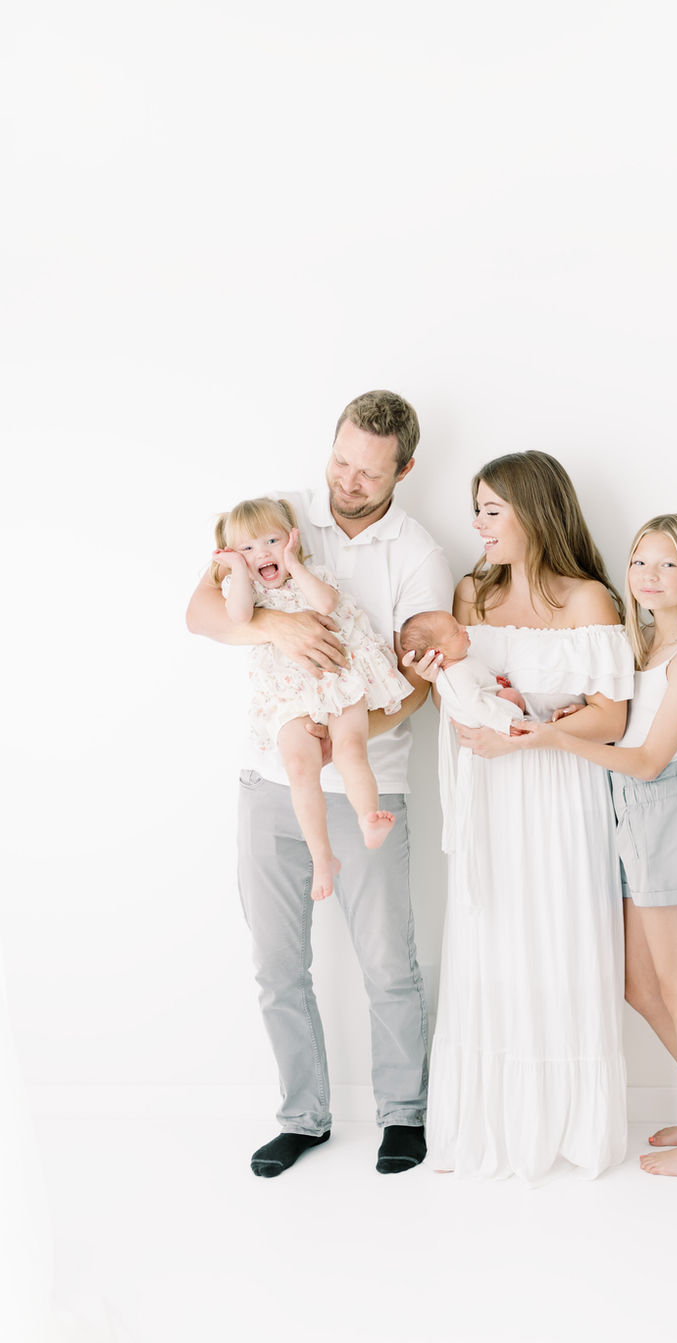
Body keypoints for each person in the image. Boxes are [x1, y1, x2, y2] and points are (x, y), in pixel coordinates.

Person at [186, 390, 454, 1177]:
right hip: (269, 777)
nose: (349, 480)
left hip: (371, 779)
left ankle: (404, 1114)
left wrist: (340, 737)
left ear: (405, 468)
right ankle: (302, 1116)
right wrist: (274, 624)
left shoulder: (420, 555)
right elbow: (200, 608)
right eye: (341, 460)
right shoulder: (277, 514)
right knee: (277, 965)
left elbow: (417, 684)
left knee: (387, 963)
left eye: (370, 472)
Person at [406, 451, 634, 1183]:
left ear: (535, 511)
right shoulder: (470, 594)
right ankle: (492, 1124)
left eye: (491, 510)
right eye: (477, 509)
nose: (477, 524)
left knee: (563, 941)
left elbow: (611, 718)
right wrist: (460, 688)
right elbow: (455, 695)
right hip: (492, 799)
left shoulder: (590, 601)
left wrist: (534, 731)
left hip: (562, 799)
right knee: (493, 943)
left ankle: (569, 1120)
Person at [517, 514, 677, 1179]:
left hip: (659, 817)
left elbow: (645, 760)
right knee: (639, 983)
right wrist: (566, 720)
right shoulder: (640, 648)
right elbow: (618, 733)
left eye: (667, 563)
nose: (649, 575)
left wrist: (560, 740)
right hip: (621, 817)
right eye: (640, 561)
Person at [212, 497, 413, 901]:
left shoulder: (312, 572)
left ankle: (367, 816)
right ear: (234, 555)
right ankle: (323, 857)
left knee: (351, 747)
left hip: (338, 677)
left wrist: (295, 564)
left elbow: (325, 604)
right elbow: (237, 616)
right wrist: (236, 569)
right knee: (300, 767)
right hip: (288, 692)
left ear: (290, 539)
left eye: (271, 540)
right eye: (247, 548)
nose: (262, 553)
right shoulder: (244, 588)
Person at [398, 609, 527, 727]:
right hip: (487, 720)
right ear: (437, 653)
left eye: (458, 624)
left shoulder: (463, 662)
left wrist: (495, 684)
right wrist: (505, 725)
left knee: (509, 694)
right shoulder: (457, 674)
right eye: (455, 632)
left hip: (490, 709)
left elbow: (481, 684)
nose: (464, 628)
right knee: (510, 695)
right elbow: (474, 706)